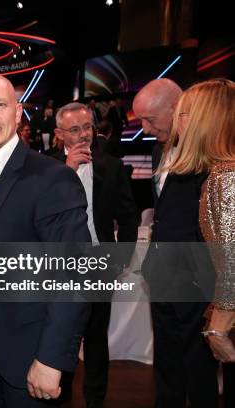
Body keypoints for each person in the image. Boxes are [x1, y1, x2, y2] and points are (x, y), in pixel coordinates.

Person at [0, 73, 90, 407]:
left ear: (17, 113)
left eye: (0, 105)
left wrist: (52, 358)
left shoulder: (52, 178)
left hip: (29, 350)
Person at [135, 78, 219, 407]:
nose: (143, 128)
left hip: (198, 283)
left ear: (177, 109)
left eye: (150, 119)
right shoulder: (159, 149)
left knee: (199, 370)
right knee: (167, 365)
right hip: (163, 277)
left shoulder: (211, 154)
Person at [51, 102, 139, 407]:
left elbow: (129, 217)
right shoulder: (47, 166)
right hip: (60, 266)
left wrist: (120, 260)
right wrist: (68, 170)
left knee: (96, 339)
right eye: (74, 130)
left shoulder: (111, 166)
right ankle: (58, 397)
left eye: (87, 127)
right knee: (60, 335)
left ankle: (95, 401)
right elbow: (42, 214)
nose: (83, 135)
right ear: (59, 134)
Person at [170, 79, 234, 406]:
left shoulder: (225, 177)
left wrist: (216, 329)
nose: (176, 122)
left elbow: (231, 265)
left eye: (183, 115)